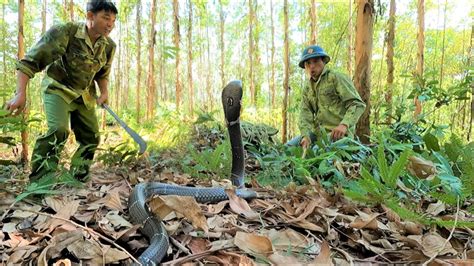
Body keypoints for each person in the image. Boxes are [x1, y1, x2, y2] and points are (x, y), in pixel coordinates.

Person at [4, 0, 118, 182]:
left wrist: (104, 93)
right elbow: (29, 63)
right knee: (58, 130)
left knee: (91, 138)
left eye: (113, 20)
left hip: (84, 94)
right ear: (90, 16)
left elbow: (103, 73)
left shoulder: (109, 46)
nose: (110, 24)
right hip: (58, 88)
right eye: (106, 18)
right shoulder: (66, 32)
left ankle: (77, 179)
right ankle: (40, 183)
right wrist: (20, 93)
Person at [287, 45, 366, 149]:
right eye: (308, 63)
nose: (312, 66)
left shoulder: (336, 78)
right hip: (318, 133)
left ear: (323, 61)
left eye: (315, 61)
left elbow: (358, 104)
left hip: (339, 133)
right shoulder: (307, 87)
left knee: (315, 153)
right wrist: (305, 136)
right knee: (287, 148)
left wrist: (344, 125)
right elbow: (305, 114)